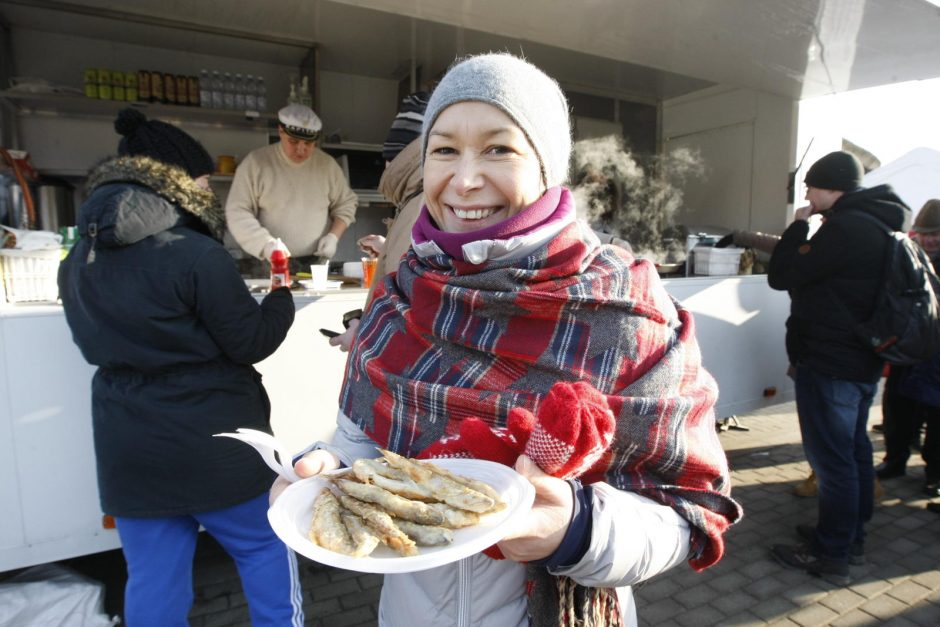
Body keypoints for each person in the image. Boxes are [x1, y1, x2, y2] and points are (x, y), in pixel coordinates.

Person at [276, 53, 741, 627]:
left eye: (499, 148)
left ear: (546, 166)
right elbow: (362, 449)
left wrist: (574, 529)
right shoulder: (401, 297)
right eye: (444, 149)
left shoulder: (627, 316)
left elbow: (688, 510)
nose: (465, 179)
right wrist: (325, 472)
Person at [58, 108, 303, 626]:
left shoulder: (78, 259)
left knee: (151, 579)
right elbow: (251, 341)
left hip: (129, 447)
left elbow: (90, 344)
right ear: (177, 180)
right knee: (263, 550)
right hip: (216, 444)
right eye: (202, 178)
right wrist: (282, 291)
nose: (207, 189)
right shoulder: (195, 254)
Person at [768, 150, 910, 583]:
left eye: (811, 186)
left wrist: (798, 225)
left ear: (832, 187)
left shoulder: (845, 228)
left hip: (832, 362)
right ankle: (851, 537)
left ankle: (832, 554)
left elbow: (783, 274)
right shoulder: (881, 221)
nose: (807, 194)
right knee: (854, 452)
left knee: (833, 462)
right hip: (861, 360)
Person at [330, 91, 430, 352]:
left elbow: (408, 308)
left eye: (388, 157)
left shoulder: (420, 204)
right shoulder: (421, 201)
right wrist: (388, 246)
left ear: (398, 159)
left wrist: (362, 334)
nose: (384, 168)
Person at [225, 103, 358, 273]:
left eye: (309, 144)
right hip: (269, 262)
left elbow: (346, 203)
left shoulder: (327, 165)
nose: (301, 150)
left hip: (316, 262)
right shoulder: (256, 163)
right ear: (281, 131)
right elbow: (237, 211)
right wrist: (266, 245)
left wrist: (333, 236)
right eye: (293, 141)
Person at [878, 199, 940, 495]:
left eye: (936, 233)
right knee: (897, 412)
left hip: (936, 357)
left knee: (937, 422)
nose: (930, 239)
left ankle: (935, 474)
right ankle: (895, 460)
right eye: (925, 232)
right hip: (907, 353)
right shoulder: (907, 254)